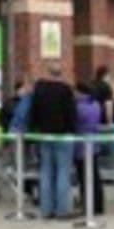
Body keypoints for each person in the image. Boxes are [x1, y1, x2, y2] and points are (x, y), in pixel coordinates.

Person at [28, 63, 77, 219]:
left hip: (44, 134)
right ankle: (62, 210)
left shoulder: (39, 89)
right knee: (63, 173)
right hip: (63, 135)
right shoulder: (65, 90)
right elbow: (71, 114)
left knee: (46, 172)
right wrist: (72, 130)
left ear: (47, 72)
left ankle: (46, 209)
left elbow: (33, 112)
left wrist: (35, 128)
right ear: (61, 73)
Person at [73, 81, 104, 215]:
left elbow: (74, 123)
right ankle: (98, 205)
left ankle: (87, 205)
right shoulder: (96, 105)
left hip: (80, 146)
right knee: (95, 176)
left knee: (83, 177)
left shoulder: (77, 107)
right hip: (94, 144)